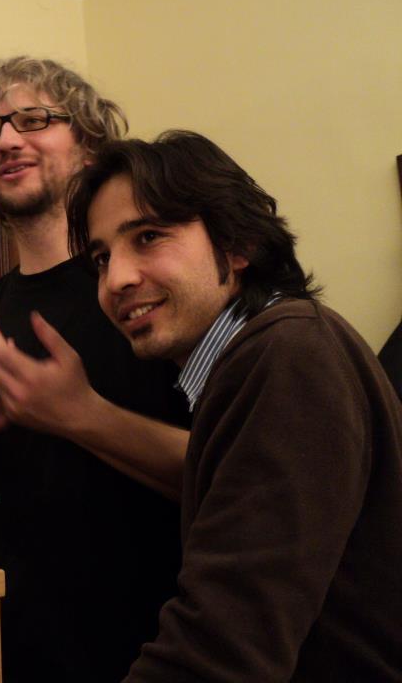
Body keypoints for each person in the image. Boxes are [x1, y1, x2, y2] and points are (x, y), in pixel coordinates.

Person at [68, 130, 402, 680]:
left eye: (149, 236)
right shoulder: (265, 354)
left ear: (237, 245)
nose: (117, 280)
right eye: (102, 259)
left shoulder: (287, 354)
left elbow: (225, 649)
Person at [0, 56, 192, 681]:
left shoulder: (144, 296)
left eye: (34, 119)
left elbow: (229, 477)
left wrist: (80, 415)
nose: (6, 140)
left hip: (135, 654)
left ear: (89, 144)